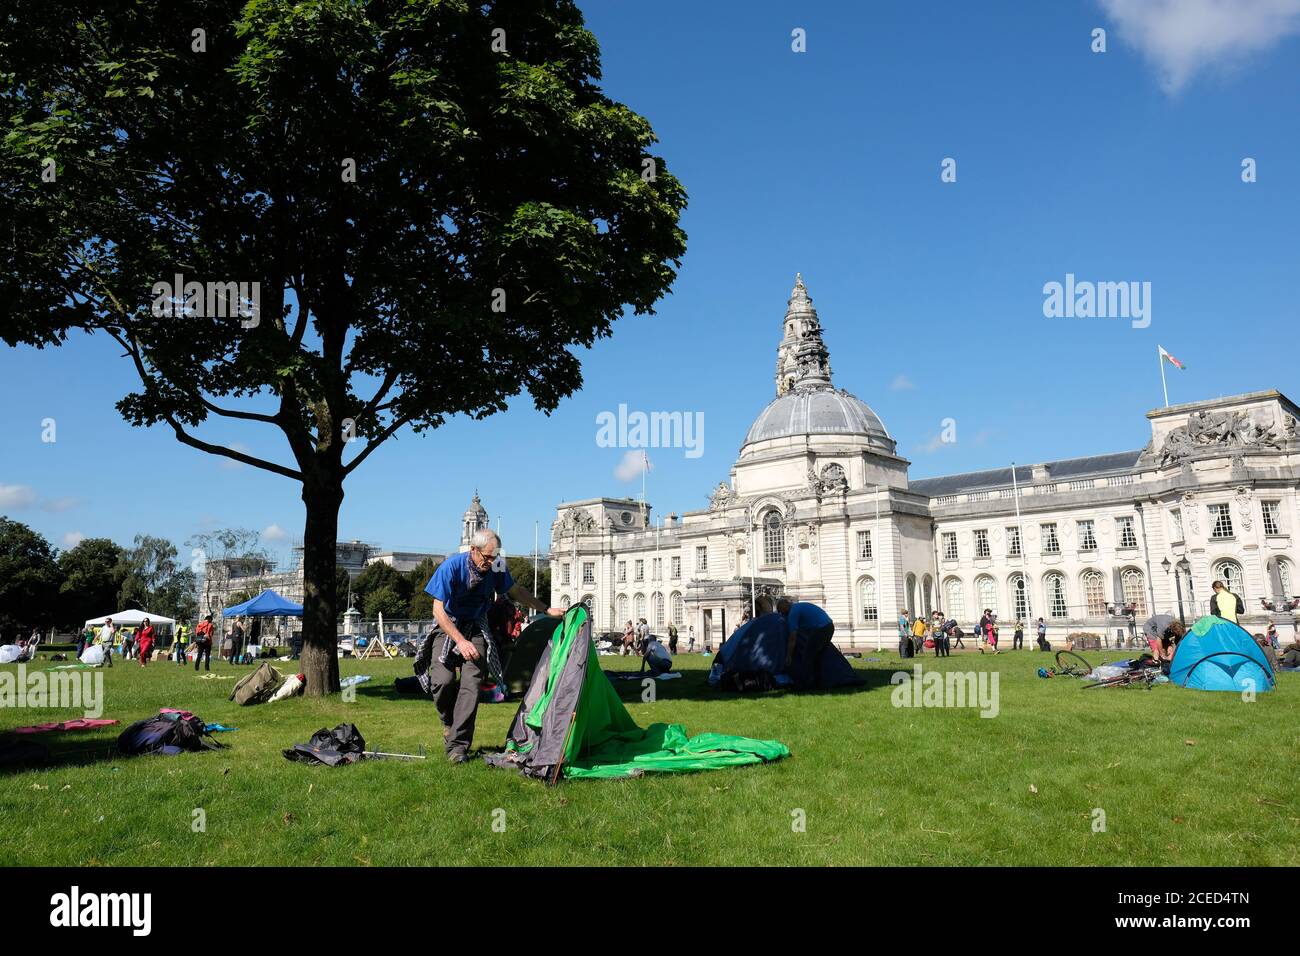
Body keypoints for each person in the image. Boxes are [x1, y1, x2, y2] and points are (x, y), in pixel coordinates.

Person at [418, 529, 560, 763]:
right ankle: (448, 722)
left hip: (476, 626)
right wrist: (460, 641)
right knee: (442, 682)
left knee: (471, 685)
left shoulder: (495, 567)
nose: (491, 563)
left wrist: (546, 609)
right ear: (473, 550)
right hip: (448, 625)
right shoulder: (451, 567)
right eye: (487, 557)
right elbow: (437, 610)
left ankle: (457, 747)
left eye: (495, 558)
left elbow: (516, 591)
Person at [778, 598, 835, 687]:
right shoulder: (798, 606)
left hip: (821, 629)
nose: (782, 614)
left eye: (781, 611)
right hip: (829, 626)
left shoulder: (793, 613)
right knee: (818, 657)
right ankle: (819, 683)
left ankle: (805, 684)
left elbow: (792, 638)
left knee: (807, 656)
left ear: (784, 608)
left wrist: (788, 655)